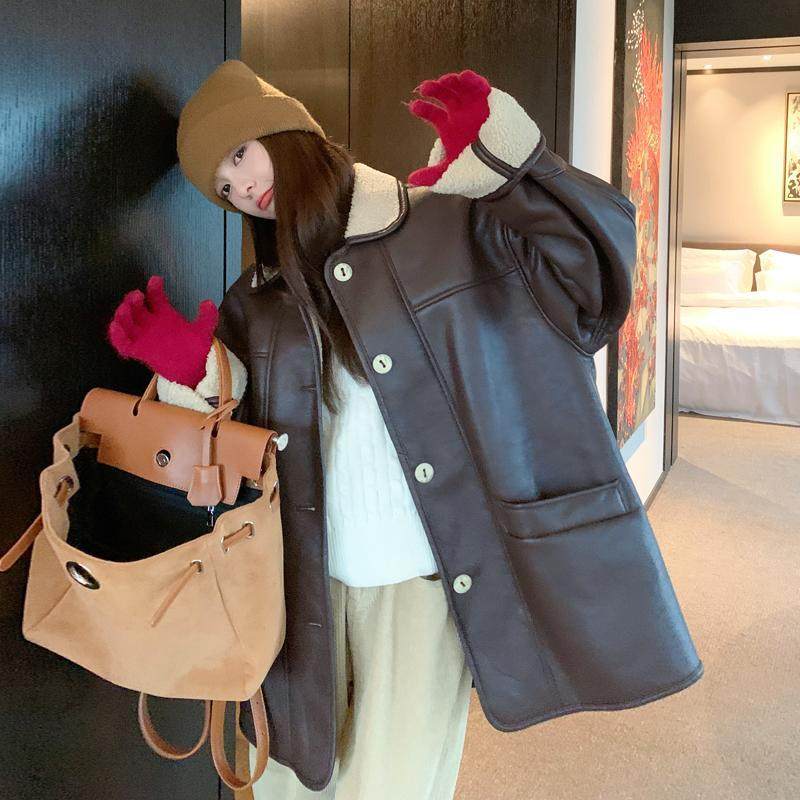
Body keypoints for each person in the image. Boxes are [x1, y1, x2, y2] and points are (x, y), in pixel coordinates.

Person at [107, 60, 703, 799]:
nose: (243, 188)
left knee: (394, 787)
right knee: (290, 784)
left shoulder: (443, 223)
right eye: (224, 188)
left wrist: (512, 169)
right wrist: (191, 372)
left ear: (286, 130)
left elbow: (592, 282)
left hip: (414, 578)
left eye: (240, 154)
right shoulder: (257, 299)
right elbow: (229, 456)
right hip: (298, 589)